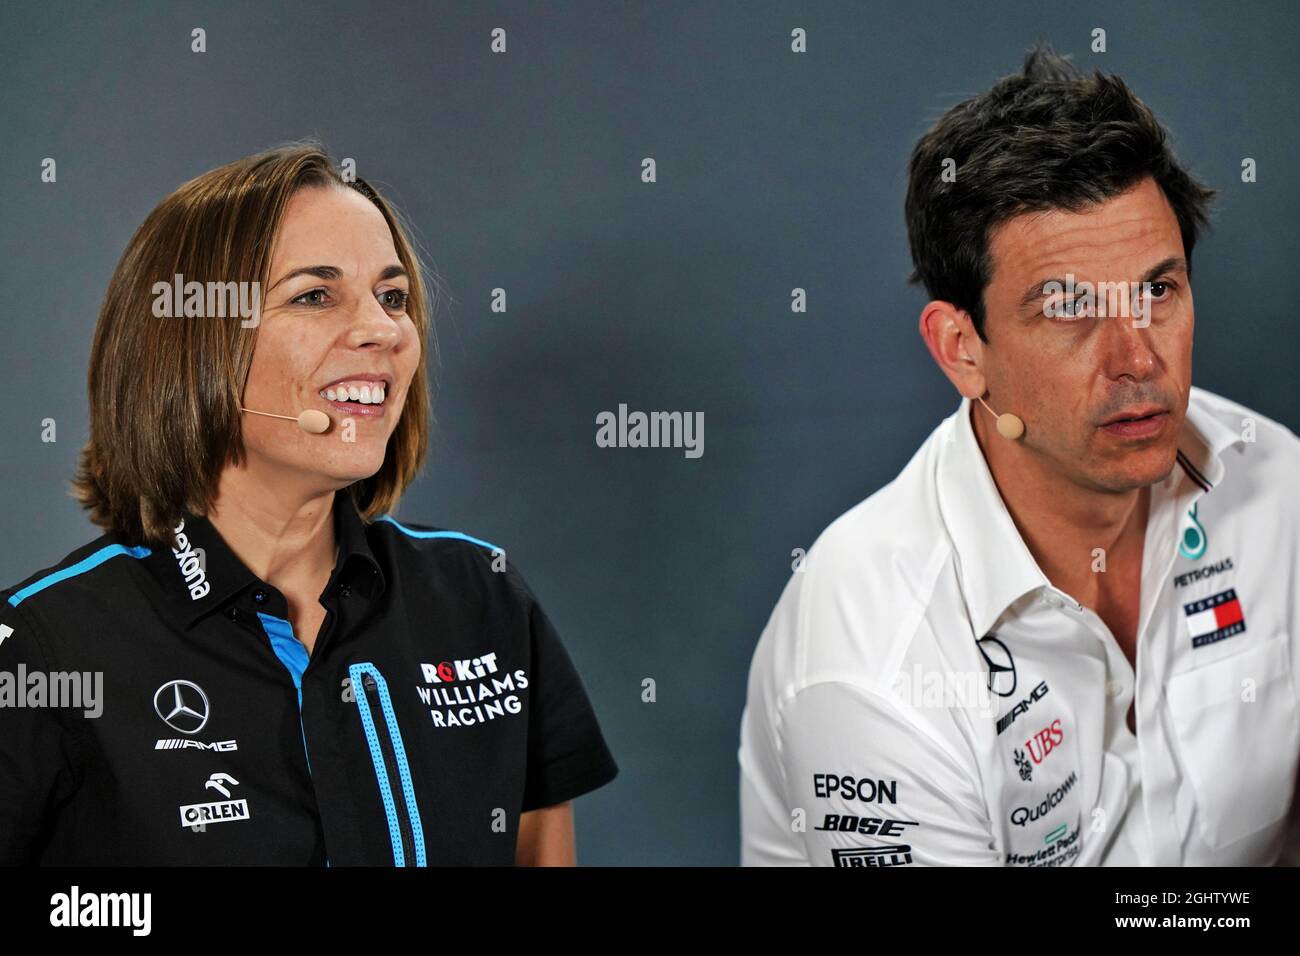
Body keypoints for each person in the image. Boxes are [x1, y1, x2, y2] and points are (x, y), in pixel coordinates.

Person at [738, 44, 1299, 866]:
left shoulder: (1278, 486)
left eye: (1157, 291)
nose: (1138, 360)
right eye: (1070, 307)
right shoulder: (870, 657)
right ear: (963, 349)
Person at [0, 142, 618, 865]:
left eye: (393, 297)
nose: (384, 331)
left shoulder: (482, 599)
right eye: (314, 295)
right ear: (189, 344)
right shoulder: (41, 645)